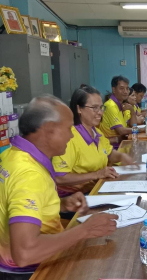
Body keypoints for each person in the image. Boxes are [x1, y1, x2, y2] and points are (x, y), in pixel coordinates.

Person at [0, 96, 117, 279]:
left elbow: (19, 202)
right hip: (29, 270)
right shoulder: (29, 174)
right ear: (48, 131)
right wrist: (84, 230)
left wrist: (60, 204)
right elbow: (24, 253)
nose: (71, 135)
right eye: (68, 129)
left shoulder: (14, 154)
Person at [52, 86, 136, 197]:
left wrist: (121, 157)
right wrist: (96, 174)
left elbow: (109, 152)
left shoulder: (96, 132)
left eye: (101, 108)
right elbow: (59, 178)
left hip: (95, 188)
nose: (100, 112)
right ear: (79, 109)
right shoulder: (69, 137)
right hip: (74, 197)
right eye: (94, 108)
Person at [99, 76, 143, 148]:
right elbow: (121, 131)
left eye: (127, 88)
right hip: (112, 147)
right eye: (122, 88)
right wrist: (141, 129)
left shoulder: (122, 104)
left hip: (122, 143)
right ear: (114, 89)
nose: (125, 92)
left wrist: (132, 110)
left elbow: (133, 125)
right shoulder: (111, 106)